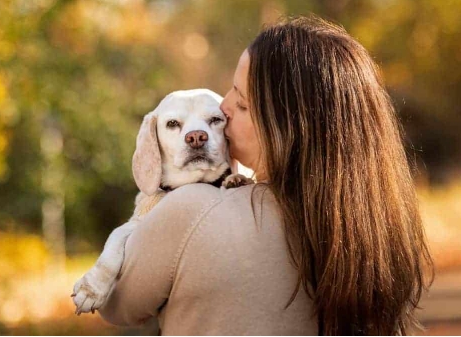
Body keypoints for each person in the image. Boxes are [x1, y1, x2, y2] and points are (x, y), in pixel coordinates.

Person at [99, 16, 433, 335]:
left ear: (289, 130)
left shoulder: (192, 210)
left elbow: (115, 305)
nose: (224, 108)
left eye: (242, 104)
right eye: (231, 89)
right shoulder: (376, 229)